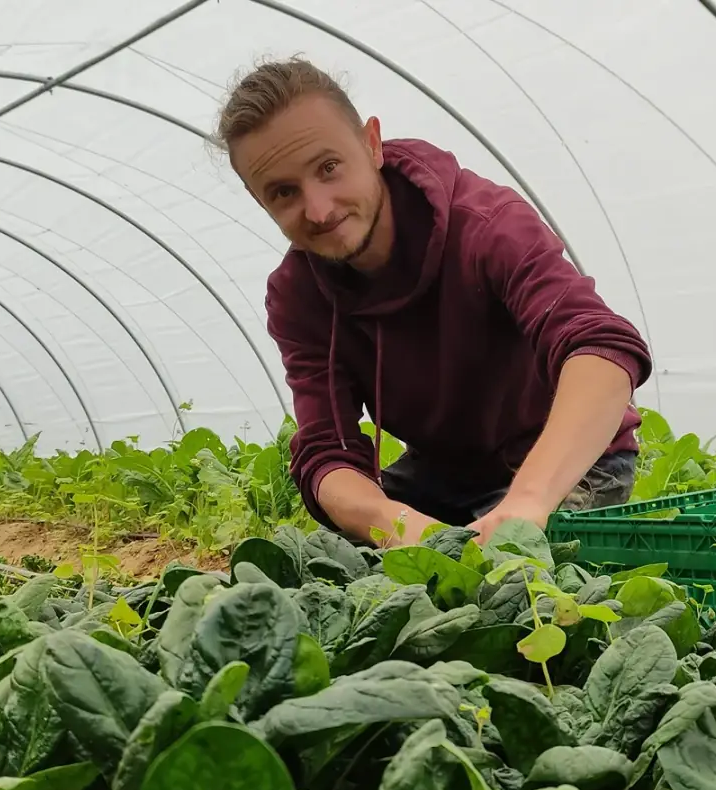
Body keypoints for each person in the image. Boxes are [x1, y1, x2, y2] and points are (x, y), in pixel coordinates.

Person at [213, 57, 652, 548]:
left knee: (512, 579)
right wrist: (390, 521)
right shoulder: (298, 295)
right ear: (259, 200)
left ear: (371, 143)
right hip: (442, 474)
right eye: (284, 192)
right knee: (335, 570)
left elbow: (601, 350)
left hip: (561, 464)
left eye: (329, 168)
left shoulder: (487, 226)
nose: (319, 209)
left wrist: (526, 502)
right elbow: (326, 451)